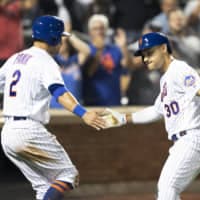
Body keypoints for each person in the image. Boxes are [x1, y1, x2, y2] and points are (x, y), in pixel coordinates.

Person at [0, 15, 106, 200]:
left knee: (44, 187)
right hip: (29, 130)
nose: (61, 42)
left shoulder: (15, 58)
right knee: (67, 175)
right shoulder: (45, 61)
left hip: (7, 132)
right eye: (60, 37)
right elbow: (60, 93)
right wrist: (83, 113)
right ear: (54, 38)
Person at [104, 32, 200, 199]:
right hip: (185, 140)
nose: (145, 59)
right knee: (168, 189)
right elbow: (157, 110)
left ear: (164, 48)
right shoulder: (166, 79)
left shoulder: (179, 69)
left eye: (150, 53)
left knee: (167, 187)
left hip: (191, 138)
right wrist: (123, 118)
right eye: (143, 55)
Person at [82, 14, 132, 106]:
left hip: (114, 102)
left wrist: (123, 47)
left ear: (106, 30)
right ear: (89, 32)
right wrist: (99, 50)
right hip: (93, 104)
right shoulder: (86, 50)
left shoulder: (115, 49)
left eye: (101, 28)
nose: (99, 32)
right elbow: (89, 73)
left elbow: (127, 66)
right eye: (95, 29)